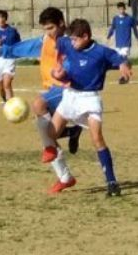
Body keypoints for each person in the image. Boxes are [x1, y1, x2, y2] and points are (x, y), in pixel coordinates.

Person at [0, 7, 84, 194]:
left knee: (38, 104)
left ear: (62, 24)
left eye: (51, 28)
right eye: (45, 29)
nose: (48, 33)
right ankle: (65, 176)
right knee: (42, 127)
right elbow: (26, 47)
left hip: (67, 89)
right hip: (52, 90)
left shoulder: (72, 42)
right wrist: (3, 49)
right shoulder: (46, 40)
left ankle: (53, 145)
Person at [49, 19, 133, 197]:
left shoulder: (101, 52)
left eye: (75, 39)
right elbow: (57, 40)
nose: (72, 43)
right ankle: (65, 172)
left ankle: (111, 182)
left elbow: (119, 58)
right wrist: (57, 71)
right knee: (50, 136)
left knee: (97, 139)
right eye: (70, 39)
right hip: (70, 96)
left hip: (90, 99)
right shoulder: (67, 43)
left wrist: (124, 65)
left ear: (86, 36)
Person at [106, 2, 138, 83]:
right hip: (118, 43)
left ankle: (124, 77)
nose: (121, 10)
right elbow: (112, 28)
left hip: (126, 43)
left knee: (123, 60)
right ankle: (127, 70)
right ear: (118, 9)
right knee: (120, 61)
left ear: (125, 9)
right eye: (120, 9)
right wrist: (109, 36)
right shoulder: (115, 19)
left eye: (122, 9)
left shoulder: (130, 19)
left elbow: (135, 29)